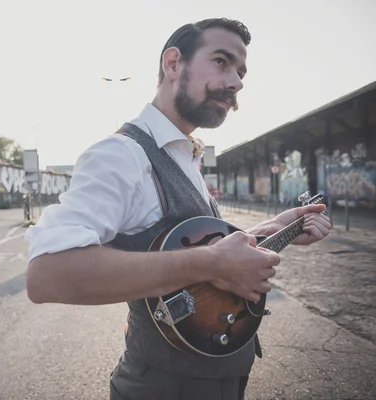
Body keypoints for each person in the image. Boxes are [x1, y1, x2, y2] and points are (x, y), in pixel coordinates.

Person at [24, 18, 332, 400]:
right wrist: (209, 263)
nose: (236, 81)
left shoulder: (185, 155)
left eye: (241, 72)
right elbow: (47, 275)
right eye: (221, 62)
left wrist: (275, 228)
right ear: (173, 64)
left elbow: (202, 249)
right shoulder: (122, 154)